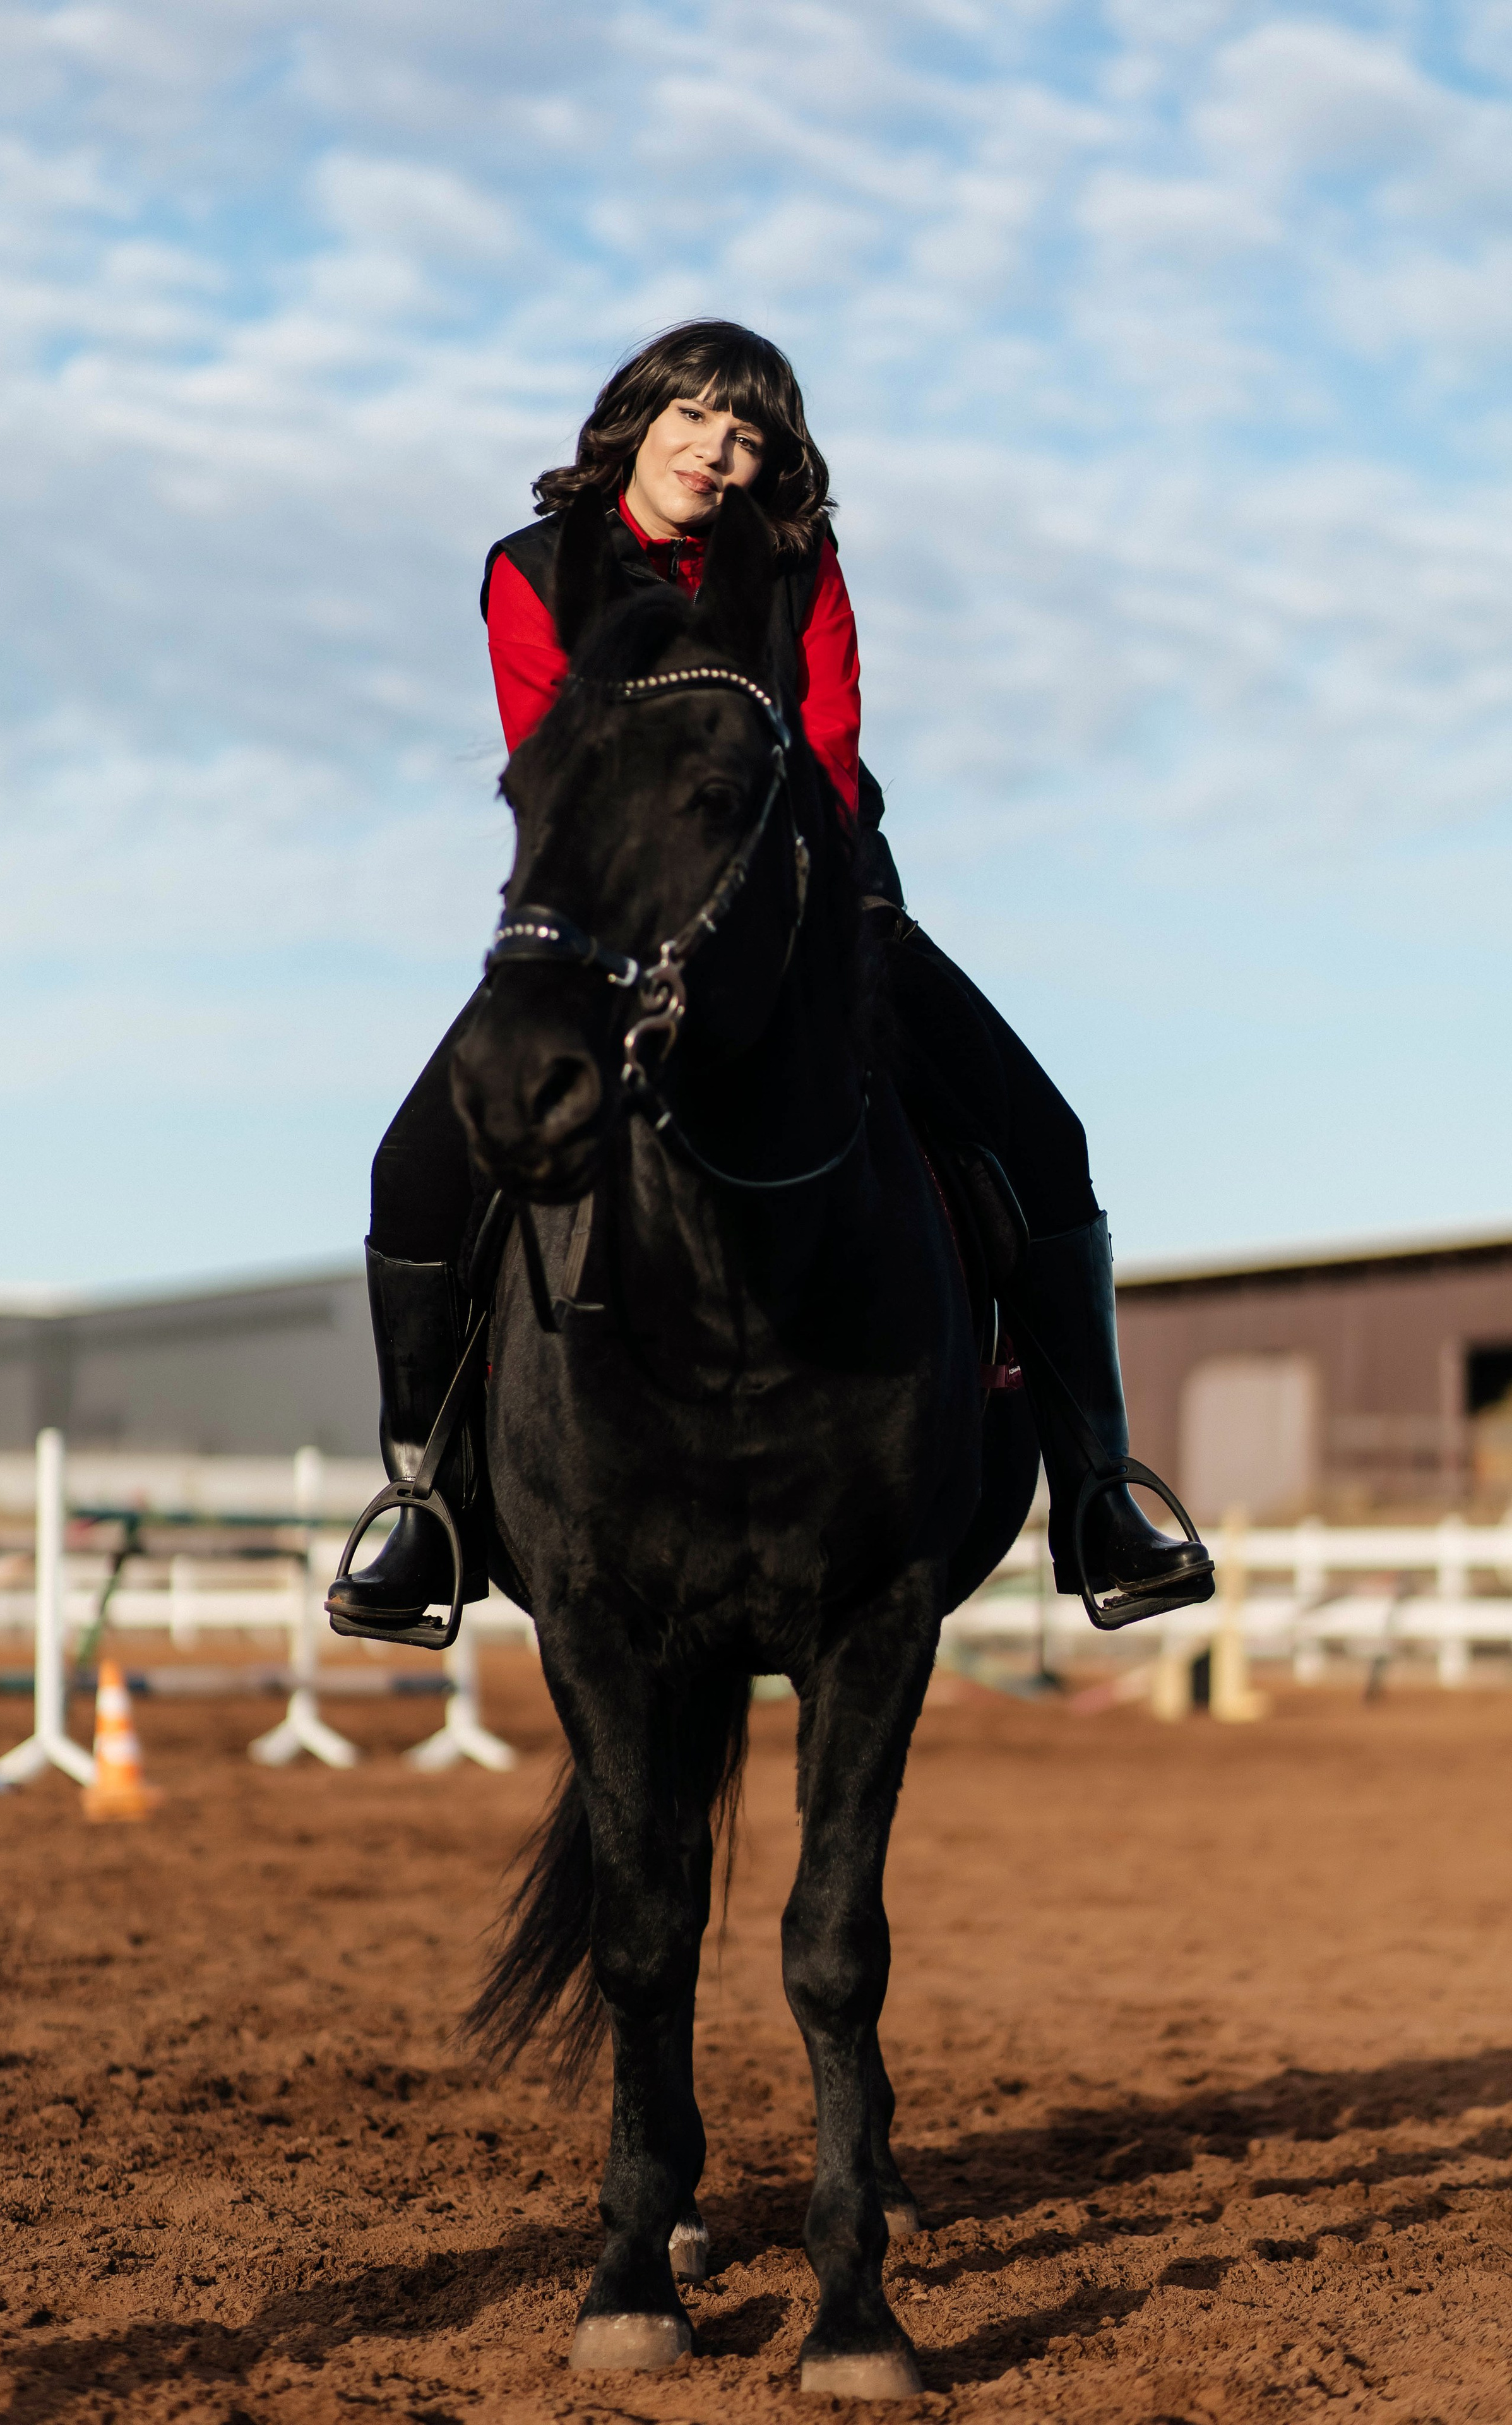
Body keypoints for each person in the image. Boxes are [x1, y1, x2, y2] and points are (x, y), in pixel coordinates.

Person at [328, 321, 1213, 1639]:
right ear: (635, 416)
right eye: (694, 417)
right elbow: (560, 758)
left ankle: (1098, 1493)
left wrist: (792, 912)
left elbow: (833, 745)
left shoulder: (800, 562)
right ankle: (427, 1502)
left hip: (815, 900)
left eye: (746, 436)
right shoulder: (529, 571)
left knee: (1041, 1135)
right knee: (415, 1166)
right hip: (614, 912)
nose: (715, 450)